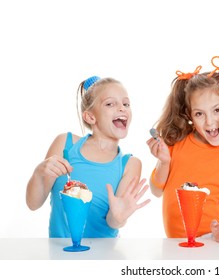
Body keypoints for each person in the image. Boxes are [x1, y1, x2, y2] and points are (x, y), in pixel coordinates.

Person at [146, 56, 219, 245]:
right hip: (174, 244)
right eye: (199, 114)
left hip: (212, 241)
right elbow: (156, 191)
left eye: (217, 110)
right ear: (189, 115)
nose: (209, 122)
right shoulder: (176, 144)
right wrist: (163, 161)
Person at [26, 76, 150, 238]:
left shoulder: (130, 164)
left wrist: (119, 217)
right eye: (110, 104)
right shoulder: (65, 145)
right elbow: (33, 204)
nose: (122, 108)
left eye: (126, 104)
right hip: (60, 254)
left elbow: (113, 222)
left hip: (104, 255)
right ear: (90, 117)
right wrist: (39, 173)